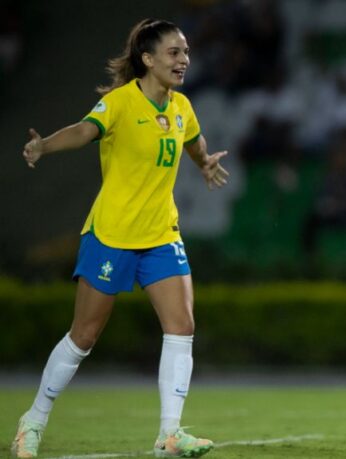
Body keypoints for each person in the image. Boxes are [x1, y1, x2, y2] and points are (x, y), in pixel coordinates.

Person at [11, 19, 228, 459]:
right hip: (111, 234)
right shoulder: (121, 103)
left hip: (161, 234)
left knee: (182, 327)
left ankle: (169, 434)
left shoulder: (182, 106)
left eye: (185, 52)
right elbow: (83, 130)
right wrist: (44, 147)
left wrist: (204, 162)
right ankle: (31, 421)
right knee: (84, 336)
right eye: (173, 52)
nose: (183, 59)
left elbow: (193, 141)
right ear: (147, 59)